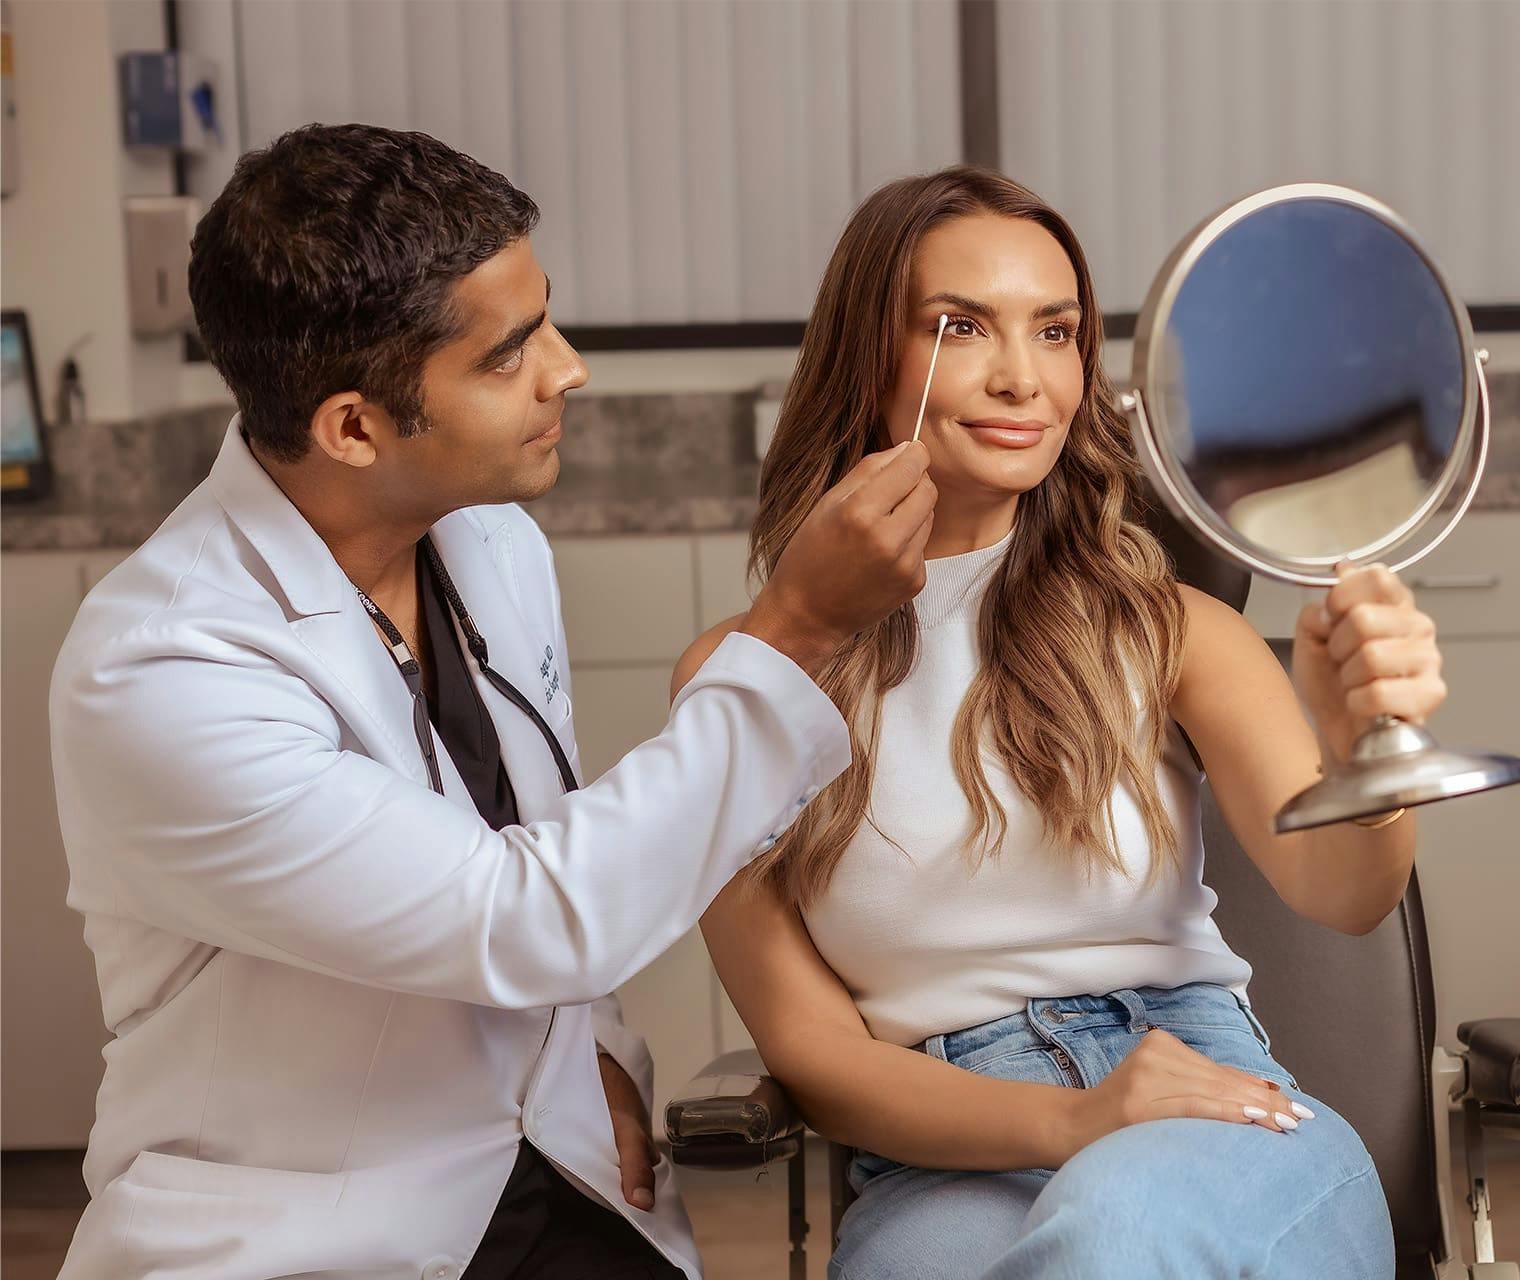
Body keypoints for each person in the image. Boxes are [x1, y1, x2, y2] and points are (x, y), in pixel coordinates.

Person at [47, 124, 935, 1280]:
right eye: (509, 354)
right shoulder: (164, 670)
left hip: (548, 1171)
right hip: (308, 1227)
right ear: (353, 426)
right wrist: (798, 627)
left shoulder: (489, 543)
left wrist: (592, 1054)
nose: (568, 369)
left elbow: (549, 833)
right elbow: (518, 913)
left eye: (547, 319)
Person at [680, 167, 1449, 1279]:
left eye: (1055, 332)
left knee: (1113, 1237)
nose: (1019, 378)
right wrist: (1071, 1121)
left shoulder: (1171, 631)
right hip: (935, 1157)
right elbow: (809, 1050)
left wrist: (1359, 752)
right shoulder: (742, 676)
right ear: (869, 355)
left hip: (1212, 1108)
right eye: (959, 325)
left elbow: (1347, 890)